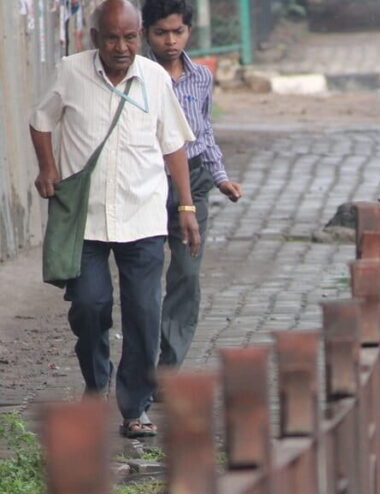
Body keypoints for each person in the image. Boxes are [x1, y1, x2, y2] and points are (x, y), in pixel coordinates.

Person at [30, 0, 198, 438]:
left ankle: (134, 406)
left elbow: (173, 144)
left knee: (144, 312)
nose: (121, 47)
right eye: (111, 38)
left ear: (138, 35)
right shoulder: (70, 71)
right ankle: (95, 382)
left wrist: (186, 206)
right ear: (95, 38)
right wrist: (47, 168)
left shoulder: (156, 79)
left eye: (129, 37)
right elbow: (41, 120)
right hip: (84, 219)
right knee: (89, 305)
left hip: (142, 216)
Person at [142, 0, 243, 372]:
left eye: (178, 32)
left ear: (189, 31)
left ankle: (169, 367)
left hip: (195, 179)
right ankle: (139, 361)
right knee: (145, 274)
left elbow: (204, 130)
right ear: (146, 33)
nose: (170, 41)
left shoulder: (200, 76)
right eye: (161, 32)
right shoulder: (139, 76)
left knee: (186, 272)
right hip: (148, 179)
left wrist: (221, 177)